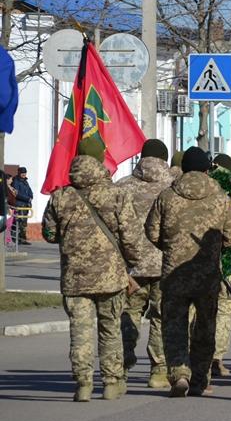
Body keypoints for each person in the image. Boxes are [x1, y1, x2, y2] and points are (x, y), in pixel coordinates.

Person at [42, 139, 150, 401]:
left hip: (74, 278)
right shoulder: (115, 194)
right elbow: (131, 236)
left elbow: (49, 233)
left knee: (79, 331)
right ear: (102, 159)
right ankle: (112, 382)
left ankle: (83, 383)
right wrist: (133, 261)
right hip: (111, 277)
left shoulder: (61, 196)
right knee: (110, 328)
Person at [146, 146, 231, 398]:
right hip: (208, 274)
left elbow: (152, 232)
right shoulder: (221, 197)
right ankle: (200, 378)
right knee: (205, 327)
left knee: (174, 325)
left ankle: (179, 374)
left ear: (184, 168)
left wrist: (171, 247)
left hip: (174, 272)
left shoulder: (166, 197)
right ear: (207, 169)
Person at [115, 139, 173, 389]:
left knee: (129, 313)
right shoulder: (174, 186)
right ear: (165, 159)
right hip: (166, 264)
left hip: (131, 266)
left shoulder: (122, 187)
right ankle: (159, 370)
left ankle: (123, 362)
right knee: (162, 316)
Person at [208, 153, 231, 379]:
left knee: (198, 310)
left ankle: (196, 356)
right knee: (223, 310)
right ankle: (217, 357)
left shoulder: (203, 190)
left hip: (200, 261)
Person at [12, 165, 33, 244]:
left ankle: (22, 239)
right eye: (22, 173)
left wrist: (31, 197)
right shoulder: (16, 181)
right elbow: (16, 194)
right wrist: (27, 198)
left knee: (24, 223)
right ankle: (15, 239)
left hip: (26, 205)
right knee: (18, 222)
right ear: (19, 173)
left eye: (25, 173)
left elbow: (29, 191)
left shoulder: (25, 181)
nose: (24, 174)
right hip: (20, 204)